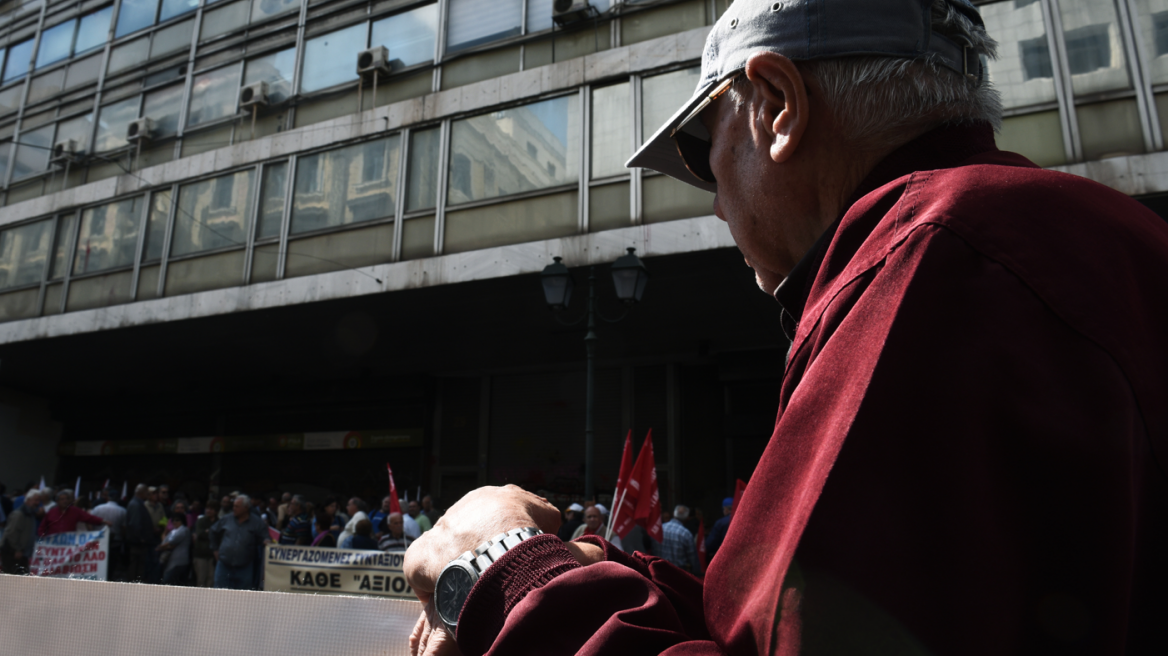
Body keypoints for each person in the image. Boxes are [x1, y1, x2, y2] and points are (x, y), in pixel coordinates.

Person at [403, 2, 1168, 655]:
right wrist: (584, 569)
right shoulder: (1066, 238)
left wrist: (505, 569)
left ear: (776, 105)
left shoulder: (935, 263)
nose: (714, 204)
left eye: (705, 157)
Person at [209, 494, 271, 590]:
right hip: (224, 565)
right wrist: (215, 550)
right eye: (233, 506)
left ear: (245, 508)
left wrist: (266, 541)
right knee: (219, 594)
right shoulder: (227, 519)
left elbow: (265, 537)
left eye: (236, 506)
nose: (233, 508)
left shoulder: (257, 522)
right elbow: (213, 531)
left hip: (244, 567)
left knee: (242, 596)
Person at [0, 490, 42, 574]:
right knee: (12, 577)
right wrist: (17, 549)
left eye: (39, 500)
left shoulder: (30, 514)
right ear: (28, 500)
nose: (37, 503)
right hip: (12, 553)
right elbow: (11, 533)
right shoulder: (19, 514)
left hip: (22, 553)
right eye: (36, 500)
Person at [37, 489, 110, 536]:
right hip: (52, 546)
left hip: (69, 545)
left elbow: (89, 518)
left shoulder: (75, 511)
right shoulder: (51, 512)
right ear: (57, 501)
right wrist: (43, 539)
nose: (65, 501)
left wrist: (103, 521)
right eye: (62, 499)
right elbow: (42, 527)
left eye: (67, 499)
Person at [650, 505, 698, 574]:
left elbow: (652, 549)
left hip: (658, 571)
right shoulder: (686, 534)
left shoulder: (659, 529)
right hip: (677, 574)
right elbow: (693, 559)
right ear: (687, 518)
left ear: (673, 514)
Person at [124, 484, 154, 582]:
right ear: (142, 493)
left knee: (138, 565)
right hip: (137, 543)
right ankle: (134, 584)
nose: (148, 495)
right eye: (147, 493)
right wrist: (141, 538)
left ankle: (135, 582)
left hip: (138, 541)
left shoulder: (137, 503)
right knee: (136, 566)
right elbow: (134, 524)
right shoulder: (136, 505)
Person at [157, 511, 191, 586]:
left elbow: (173, 541)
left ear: (182, 520)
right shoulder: (172, 532)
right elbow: (165, 542)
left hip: (179, 561)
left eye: (177, 520)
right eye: (173, 520)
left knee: (168, 581)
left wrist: (160, 547)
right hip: (170, 560)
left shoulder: (184, 530)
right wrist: (163, 546)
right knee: (168, 581)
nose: (174, 522)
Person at [192, 505, 218, 587]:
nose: (208, 511)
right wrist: (211, 533)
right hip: (200, 554)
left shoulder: (219, 521)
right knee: (201, 580)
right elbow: (200, 534)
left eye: (211, 509)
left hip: (213, 555)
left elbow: (219, 536)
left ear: (216, 511)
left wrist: (208, 532)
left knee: (211, 579)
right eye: (207, 508)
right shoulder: (201, 520)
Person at [703, 498, 734, 563]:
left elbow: (710, 544)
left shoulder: (721, 523)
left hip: (723, 558)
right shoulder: (743, 521)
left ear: (726, 509)